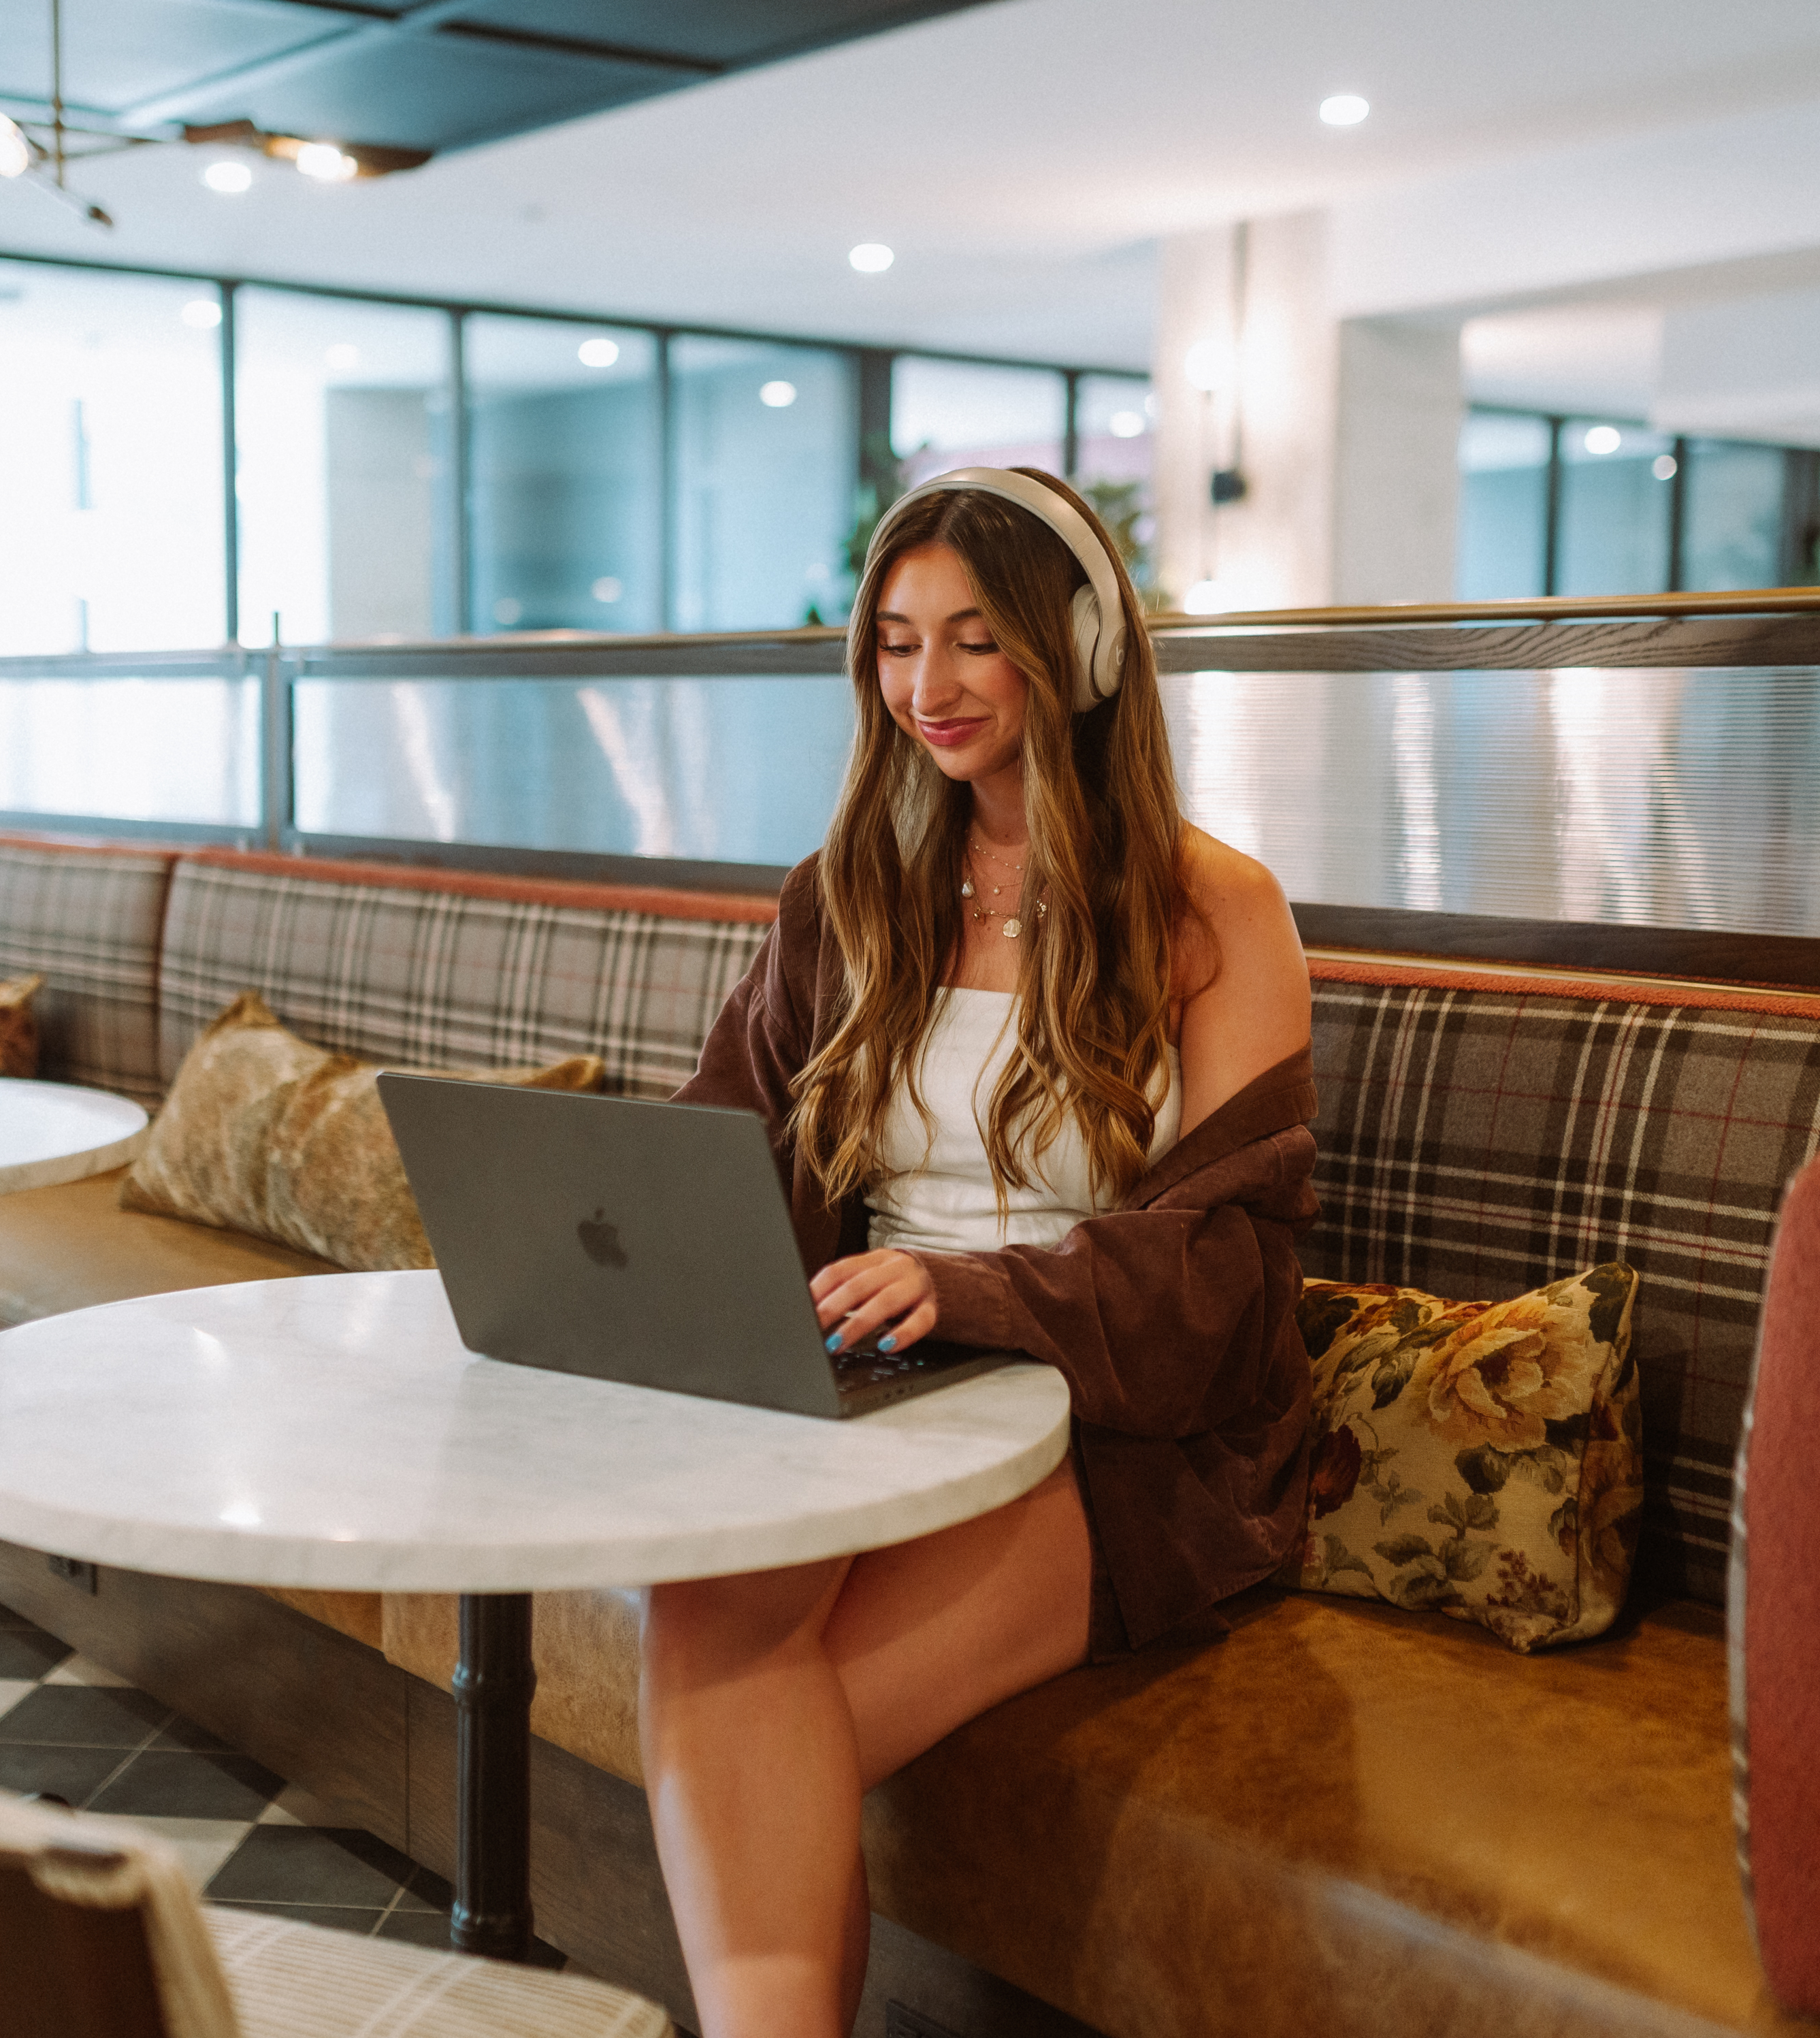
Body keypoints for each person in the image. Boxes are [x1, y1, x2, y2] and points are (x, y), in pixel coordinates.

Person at [645, 467, 1319, 2037]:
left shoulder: (1216, 910)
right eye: (892, 644)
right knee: (706, 1619)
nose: (925, 689)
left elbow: (1224, 1280)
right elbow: (727, 1159)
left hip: (1116, 1421)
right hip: (875, 1377)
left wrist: (962, 1288)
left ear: (1076, 650)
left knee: (761, 1715)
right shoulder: (848, 894)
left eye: (972, 641)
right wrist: (627, 1243)